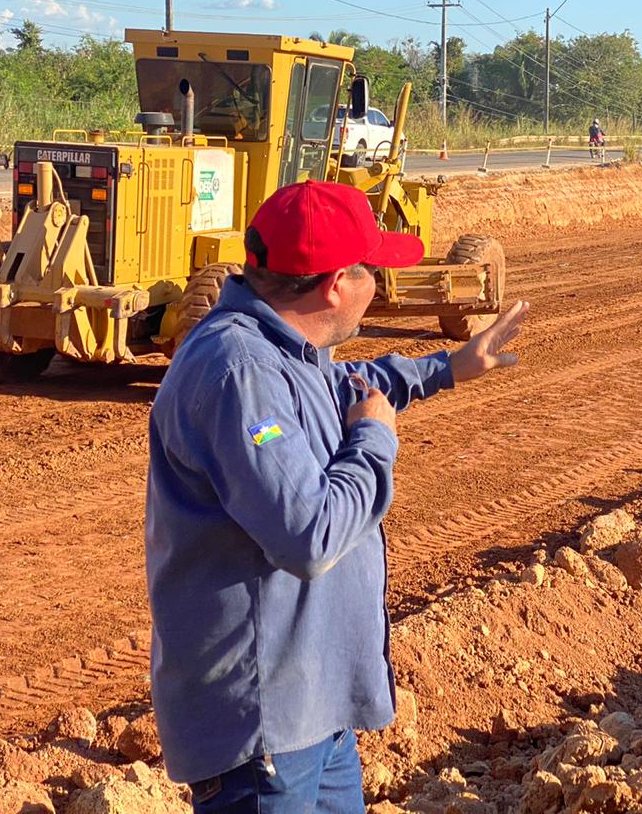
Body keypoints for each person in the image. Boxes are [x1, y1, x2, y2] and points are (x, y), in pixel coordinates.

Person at [146, 179, 529, 813]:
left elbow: (349, 385)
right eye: (372, 270)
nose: (378, 285)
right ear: (335, 286)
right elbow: (309, 534)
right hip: (264, 731)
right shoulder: (240, 374)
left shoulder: (283, 347)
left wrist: (447, 368)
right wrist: (376, 442)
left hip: (312, 713)